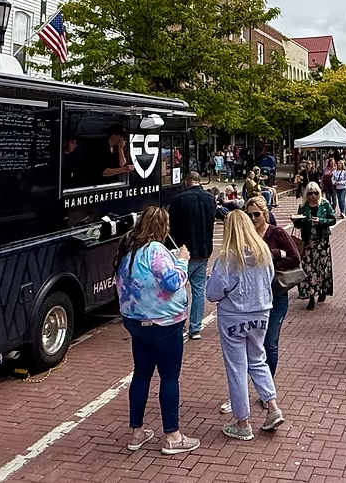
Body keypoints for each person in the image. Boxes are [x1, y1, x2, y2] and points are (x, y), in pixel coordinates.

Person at [114, 206, 199, 455]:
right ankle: (172, 435)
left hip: (136, 322)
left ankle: (137, 432)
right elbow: (173, 282)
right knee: (169, 377)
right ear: (162, 226)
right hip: (164, 323)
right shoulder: (155, 250)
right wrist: (182, 259)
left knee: (141, 374)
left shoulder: (129, 249)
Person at [207, 210, 286, 440]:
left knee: (237, 367)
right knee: (258, 360)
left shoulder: (228, 258)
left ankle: (242, 423)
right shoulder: (263, 253)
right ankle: (272, 406)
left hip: (234, 316)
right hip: (261, 314)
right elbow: (270, 279)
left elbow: (213, 293)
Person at [244, 196, 301, 378]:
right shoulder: (247, 236)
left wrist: (272, 255)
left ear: (265, 214)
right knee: (252, 344)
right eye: (249, 215)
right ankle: (254, 383)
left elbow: (294, 258)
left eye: (257, 215)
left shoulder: (276, 233)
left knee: (270, 342)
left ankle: (268, 387)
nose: (253, 219)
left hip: (276, 295)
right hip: (253, 297)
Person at [168, 172, 217, 341]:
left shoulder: (178, 200)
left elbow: (172, 228)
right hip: (204, 250)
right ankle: (195, 328)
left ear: (186, 181)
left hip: (184, 251)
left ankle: (180, 324)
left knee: (179, 290)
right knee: (198, 291)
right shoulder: (210, 198)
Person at [294, 182, 336, 310]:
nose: (313, 196)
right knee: (308, 269)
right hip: (308, 243)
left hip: (322, 242)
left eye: (315, 193)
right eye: (310, 193)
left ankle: (322, 290)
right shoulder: (303, 206)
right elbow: (299, 224)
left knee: (322, 268)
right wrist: (296, 221)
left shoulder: (324, 204)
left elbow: (332, 219)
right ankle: (311, 296)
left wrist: (321, 221)